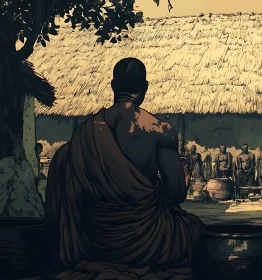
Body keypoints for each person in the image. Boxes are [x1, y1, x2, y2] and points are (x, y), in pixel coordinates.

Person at [44, 58, 204, 280]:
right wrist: (151, 193)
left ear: (112, 86)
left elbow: (75, 197)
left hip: (94, 242)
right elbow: (176, 194)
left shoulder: (85, 132)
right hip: (148, 240)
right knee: (194, 229)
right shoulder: (160, 130)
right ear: (145, 88)